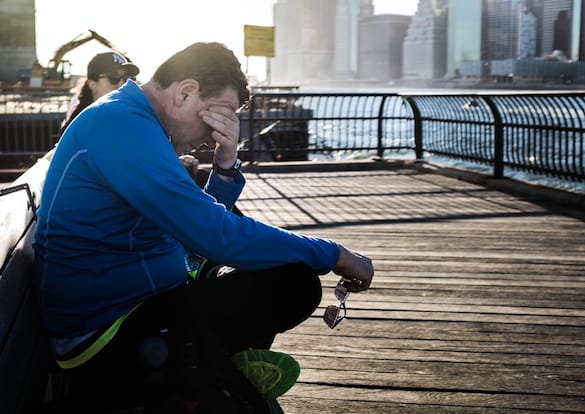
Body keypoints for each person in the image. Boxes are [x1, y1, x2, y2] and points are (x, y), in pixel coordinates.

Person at [33, 42, 373, 412]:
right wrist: (336, 254)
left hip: (137, 303)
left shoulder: (136, 121)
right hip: (103, 334)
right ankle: (198, 374)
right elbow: (215, 236)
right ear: (185, 92)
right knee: (290, 282)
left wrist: (225, 165)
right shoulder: (121, 127)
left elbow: (196, 230)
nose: (219, 131)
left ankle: (206, 368)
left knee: (282, 272)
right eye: (220, 114)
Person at [59, 51, 140, 135]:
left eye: (127, 78)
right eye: (114, 77)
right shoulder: (82, 126)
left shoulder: (132, 118)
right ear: (92, 84)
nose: (122, 84)